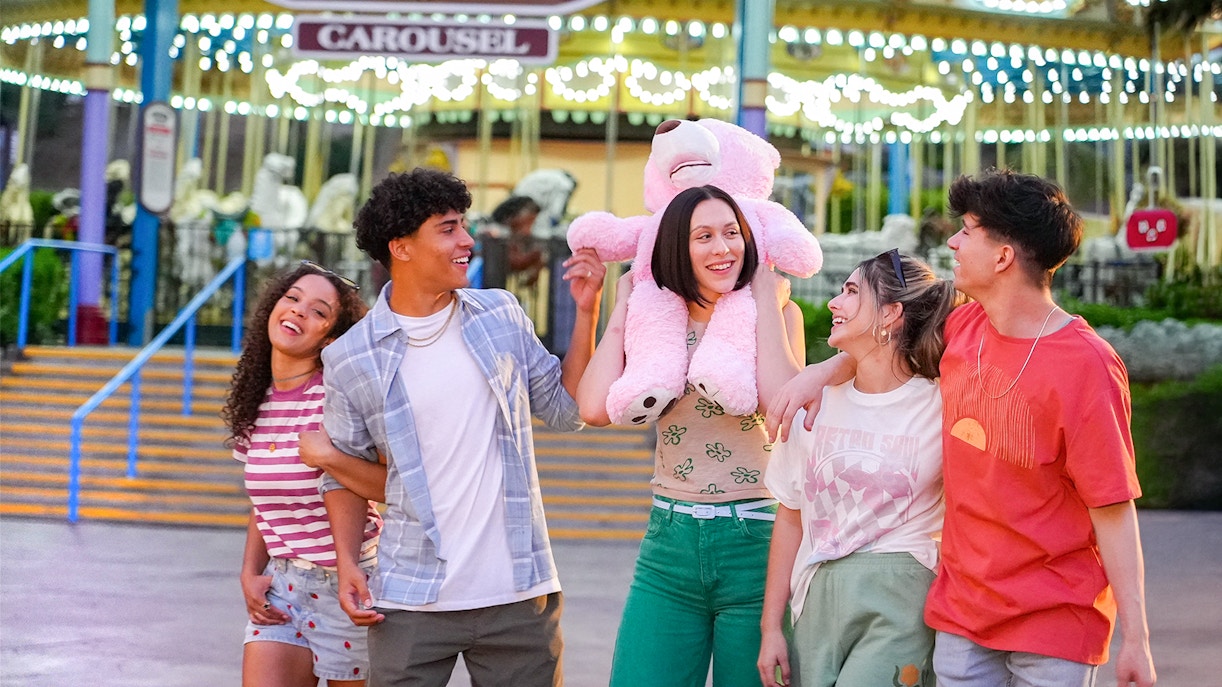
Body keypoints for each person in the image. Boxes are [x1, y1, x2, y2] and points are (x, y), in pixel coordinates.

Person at [767, 169, 1156, 687]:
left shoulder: (1088, 365)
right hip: (961, 615)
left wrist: (1137, 639)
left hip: (1055, 621)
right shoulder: (961, 328)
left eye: (968, 230)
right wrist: (822, 371)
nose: (952, 241)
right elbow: (883, 340)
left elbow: (1112, 507)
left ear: (1003, 256)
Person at [313, 167, 606, 687]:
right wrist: (348, 562)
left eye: (463, 225)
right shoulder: (351, 357)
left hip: (519, 594)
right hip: (410, 597)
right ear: (401, 247)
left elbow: (568, 411)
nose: (467, 240)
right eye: (448, 229)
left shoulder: (501, 314)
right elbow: (343, 477)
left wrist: (587, 313)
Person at [577, 184, 806, 687]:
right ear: (676, 248)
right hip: (669, 543)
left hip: (756, 541)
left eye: (732, 233)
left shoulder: (779, 312)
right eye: (704, 236)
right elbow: (593, 407)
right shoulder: (657, 320)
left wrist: (765, 300)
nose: (723, 248)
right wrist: (624, 306)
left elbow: (781, 405)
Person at [757, 250, 960, 687]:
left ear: (891, 313)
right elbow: (790, 516)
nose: (834, 302)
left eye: (851, 291)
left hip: (900, 594)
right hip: (815, 596)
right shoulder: (813, 403)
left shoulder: (941, 401)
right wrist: (771, 627)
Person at [223, 260, 382, 687]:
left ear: (329, 337)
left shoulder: (336, 397)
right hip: (284, 587)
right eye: (292, 298)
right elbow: (266, 502)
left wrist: (329, 457)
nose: (298, 310)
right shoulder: (256, 402)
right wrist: (250, 571)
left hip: (351, 585)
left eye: (318, 311)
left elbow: (385, 485)